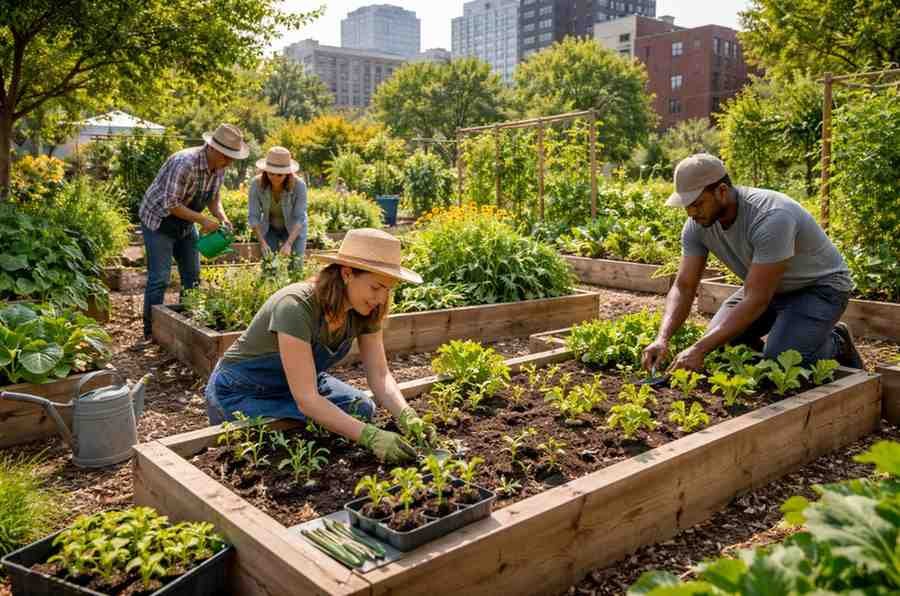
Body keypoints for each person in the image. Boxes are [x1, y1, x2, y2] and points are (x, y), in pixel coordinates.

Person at [204, 228, 429, 464]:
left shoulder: (366, 311)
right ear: (347, 273)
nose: (381, 299)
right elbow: (308, 399)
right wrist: (369, 437)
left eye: (388, 290)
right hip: (241, 390)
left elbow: (380, 375)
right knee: (270, 444)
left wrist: (406, 414)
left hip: (298, 386)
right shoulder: (296, 306)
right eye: (375, 287)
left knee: (361, 407)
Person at [642, 153, 864, 374]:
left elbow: (757, 299)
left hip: (820, 289)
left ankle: (837, 341)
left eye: (697, 203)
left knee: (782, 361)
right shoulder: (697, 225)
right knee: (720, 346)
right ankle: (785, 344)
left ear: (721, 191)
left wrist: (699, 348)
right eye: (687, 205)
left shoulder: (771, 217)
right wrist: (662, 339)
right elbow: (684, 286)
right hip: (769, 288)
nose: (691, 212)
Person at [138, 124, 248, 338]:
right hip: (159, 220)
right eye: (227, 156)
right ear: (213, 148)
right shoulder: (184, 163)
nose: (230, 162)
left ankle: (185, 324)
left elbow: (214, 198)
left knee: (192, 275)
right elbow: (171, 204)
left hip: (185, 223)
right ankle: (152, 332)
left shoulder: (220, 166)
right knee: (160, 277)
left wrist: (221, 217)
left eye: (233, 157)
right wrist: (203, 221)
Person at [248, 146, 308, 259]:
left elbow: (300, 217)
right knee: (269, 265)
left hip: (294, 229)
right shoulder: (256, 184)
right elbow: (253, 216)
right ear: (265, 171)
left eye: (280, 175)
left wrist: (289, 244)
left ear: (288, 173)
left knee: (295, 265)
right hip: (269, 227)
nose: (275, 178)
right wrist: (262, 243)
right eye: (271, 173)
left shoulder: (299, 186)